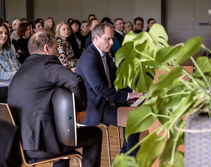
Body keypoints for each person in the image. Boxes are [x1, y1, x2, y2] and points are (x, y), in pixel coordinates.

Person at [8, 29, 102, 167]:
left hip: (20, 145)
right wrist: (81, 109)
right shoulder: (46, 64)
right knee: (95, 134)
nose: (58, 53)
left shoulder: (23, 69)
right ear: (47, 48)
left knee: (60, 130)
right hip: (42, 146)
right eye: (56, 48)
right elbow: (75, 81)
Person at [76, 23, 143, 156]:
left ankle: (126, 155)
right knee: (133, 119)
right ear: (96, 38)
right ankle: (129, 158)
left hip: (107, 102)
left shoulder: (103, 54)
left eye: (112, 38)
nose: (112, 42)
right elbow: (100, 89)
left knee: (137, 113)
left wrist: (133, 92)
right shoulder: (89, 58)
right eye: (108, 39)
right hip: (95, 107)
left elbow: (114, 81)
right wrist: (128, 96)